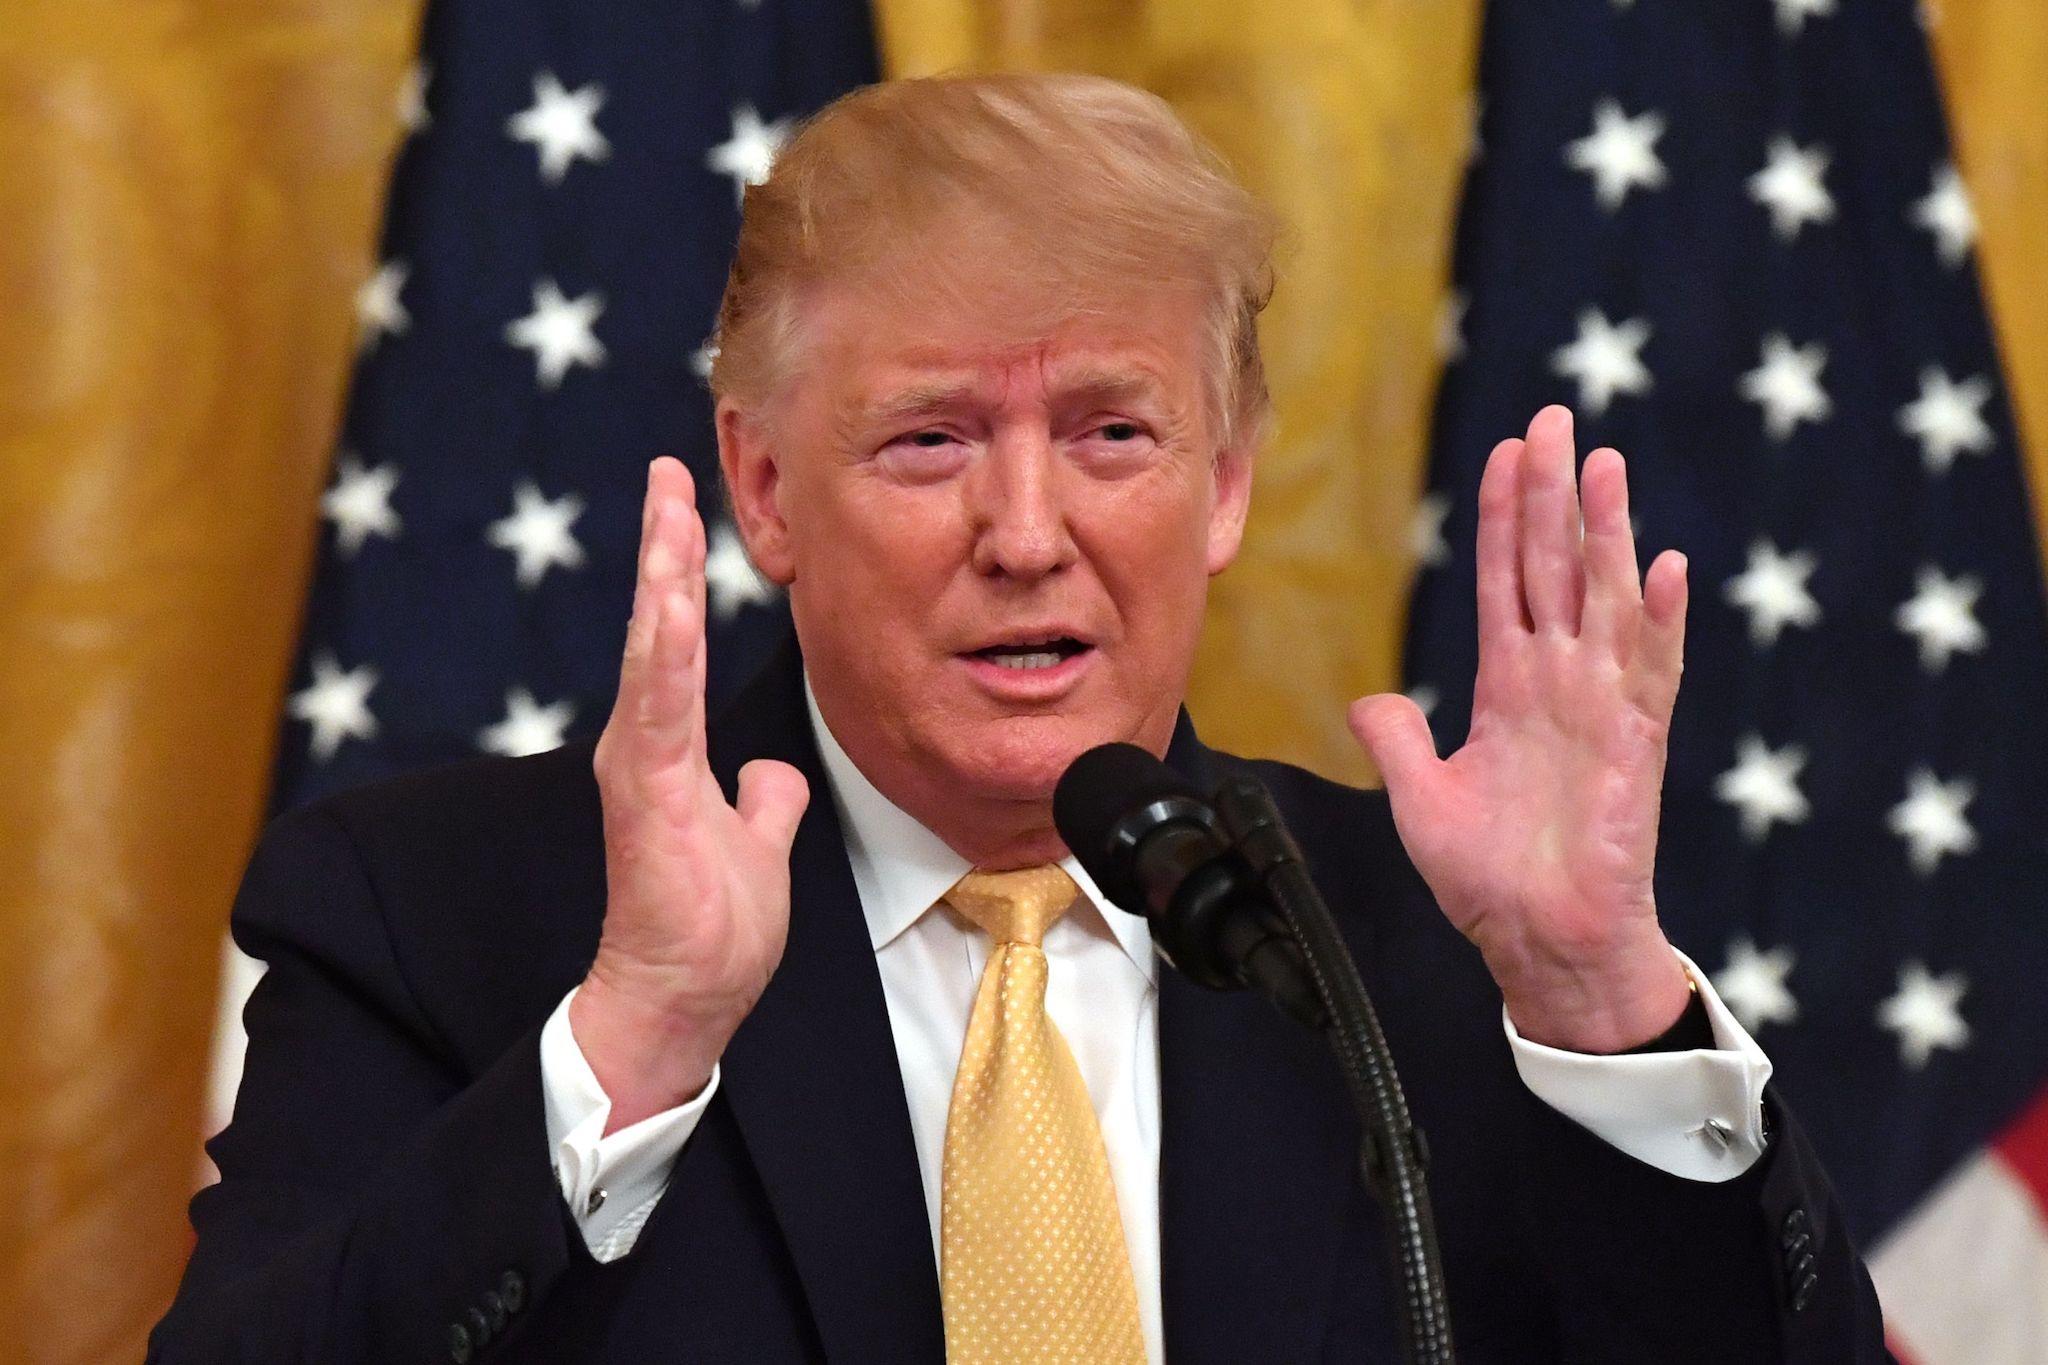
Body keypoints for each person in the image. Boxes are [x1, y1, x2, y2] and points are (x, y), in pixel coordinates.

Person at [152, 72, 1888, 1363]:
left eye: (1114, 434)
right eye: (930, 440)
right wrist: (640, 1036)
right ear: (763, 485)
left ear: (1226, 482)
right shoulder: (447, 911)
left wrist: (1600, 1002)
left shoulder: (1426, 944)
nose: (1029, 532)